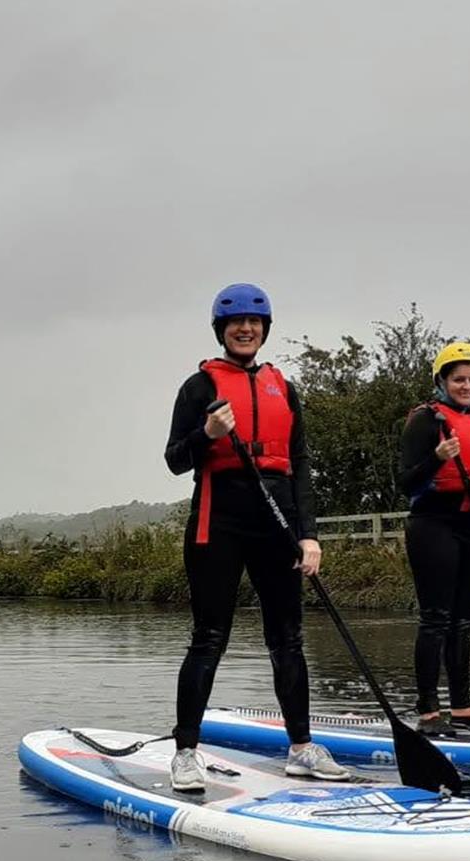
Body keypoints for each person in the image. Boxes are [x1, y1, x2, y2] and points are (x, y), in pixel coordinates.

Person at [162, 283, 350, 793]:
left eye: (255, 321)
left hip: (278, 521)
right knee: (209, 638)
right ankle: (185, 753)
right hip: (216, 519)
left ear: (265, 328)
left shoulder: (282, 387)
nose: (246, 329)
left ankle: (302, 748)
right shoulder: (199, 387)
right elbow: (176, 459)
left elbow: (302, 465)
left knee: (288, 639)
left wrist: (308, 536)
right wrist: (208, 436)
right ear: (221, 330)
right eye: (236, 322)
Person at [396, 342, 470, 733]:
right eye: (459, 379)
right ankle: (429, 711)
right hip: (432, 525)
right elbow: (406, 483)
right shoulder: (425, 421)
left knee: (463, 622)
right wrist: (438, 458)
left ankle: (462, 707)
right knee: (436, 619)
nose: (467, 385)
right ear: (443, 381)